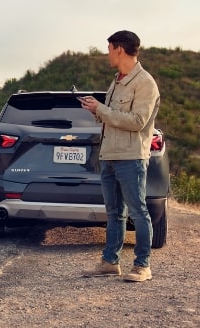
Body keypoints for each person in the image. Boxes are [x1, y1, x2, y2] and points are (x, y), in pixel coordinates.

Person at [79, 30, 160, 282]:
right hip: (109, 155)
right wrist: (96, 110)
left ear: (119, 49)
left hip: (131, 157)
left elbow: (137, 121)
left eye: (109, 49)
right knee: (114, 213)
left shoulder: (145, 82)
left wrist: (102, 109)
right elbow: (112, 117)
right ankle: (110, 263)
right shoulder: (116, 81)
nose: (107, 54)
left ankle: (142, 266)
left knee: (138, 212)